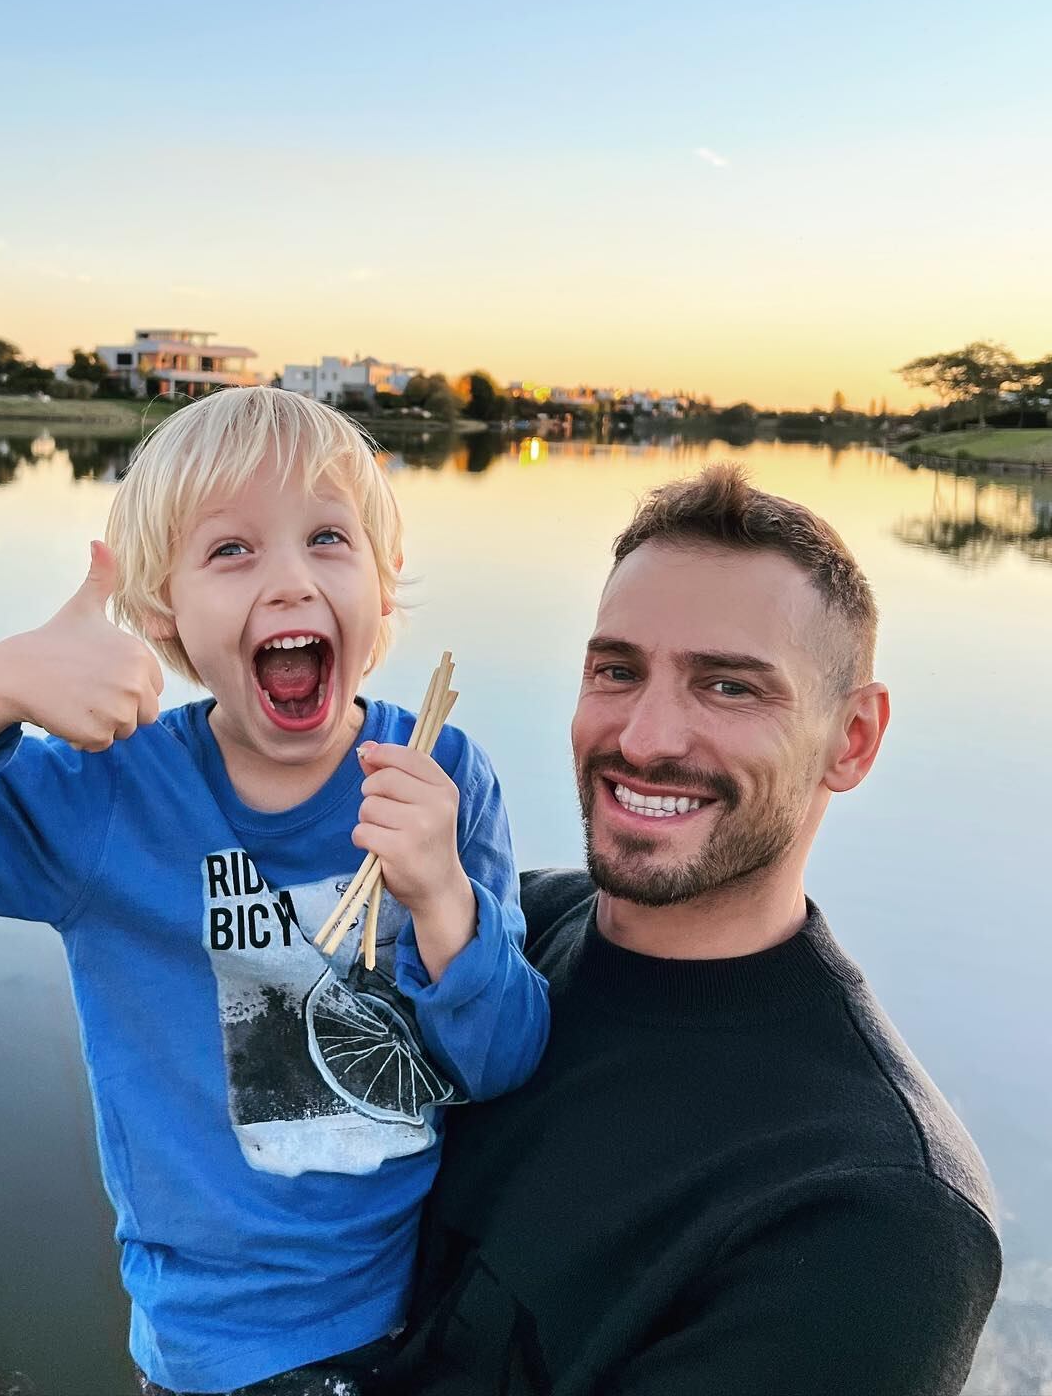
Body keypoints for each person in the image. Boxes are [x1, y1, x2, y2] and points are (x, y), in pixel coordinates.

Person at [0, 387, 550, 1396]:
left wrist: (444, 901)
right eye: (232, 551)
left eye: (328, 539)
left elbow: (499, 1060)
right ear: (163, 611)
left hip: (426, 1303)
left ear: (382, 586)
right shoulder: (111, 797)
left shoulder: (441, 771)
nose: (289, 581)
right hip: (222, 1347)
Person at [375, 465, 1001, 1396]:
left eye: (730, 688)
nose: (646, 737)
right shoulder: (493, 935)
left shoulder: (872, 1214)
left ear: (854, 739)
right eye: (617, 671)